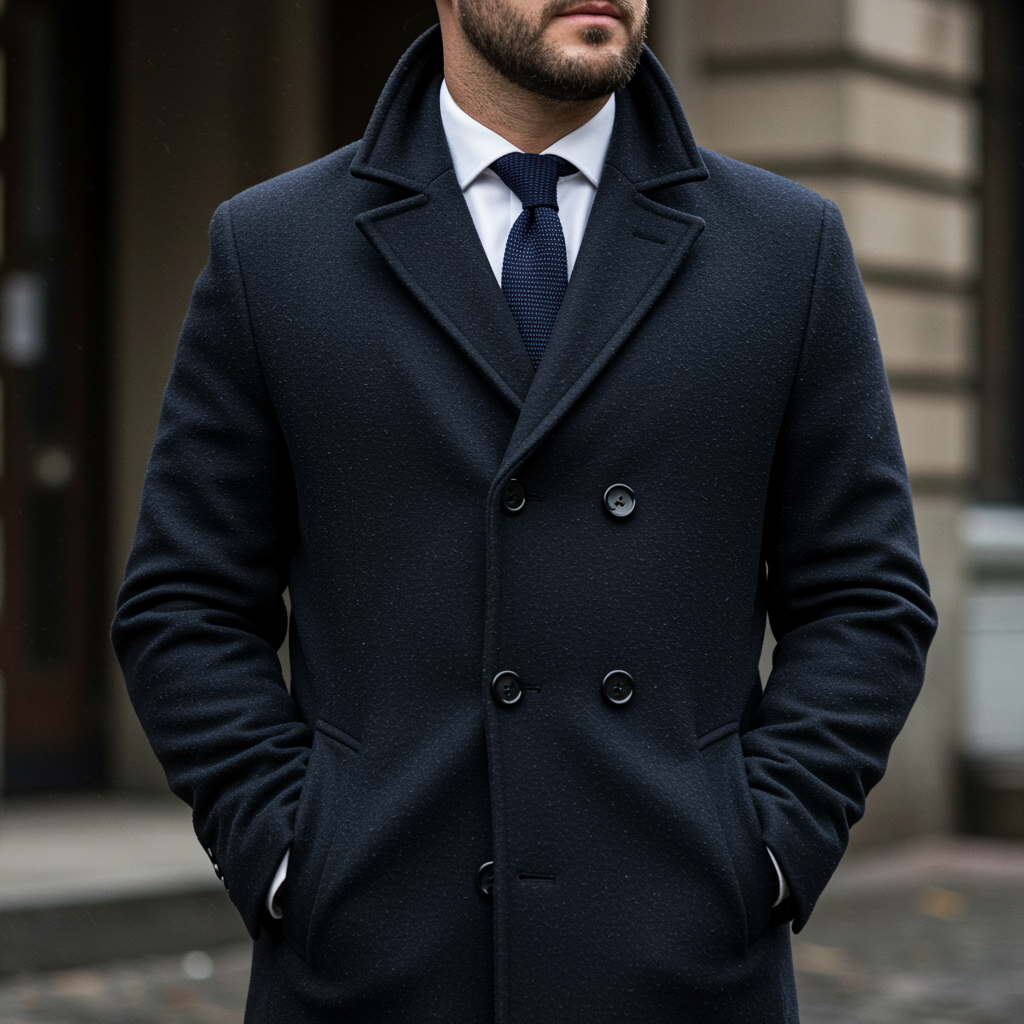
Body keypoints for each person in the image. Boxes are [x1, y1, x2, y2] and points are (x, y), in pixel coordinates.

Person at [111, 1, 937, 1021]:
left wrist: (762, 846)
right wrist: (289, 849)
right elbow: (183, 603)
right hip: (377, 964)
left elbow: (867, 597)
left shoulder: (783, 248)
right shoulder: (275, 249)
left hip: (678, 965)